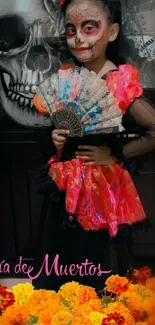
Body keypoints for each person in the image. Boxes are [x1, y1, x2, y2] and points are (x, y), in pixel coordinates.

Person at [32, 0, 155, 291]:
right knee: (59, 259)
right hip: (62, 187)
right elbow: (55, 128)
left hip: (101, 192)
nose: (78, 38)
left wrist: (113, 154)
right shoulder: (68, 78)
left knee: (98, 265)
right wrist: (56, 139)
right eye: (71, 29)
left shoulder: (119, 82)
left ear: (111, 32)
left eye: (89, 28)